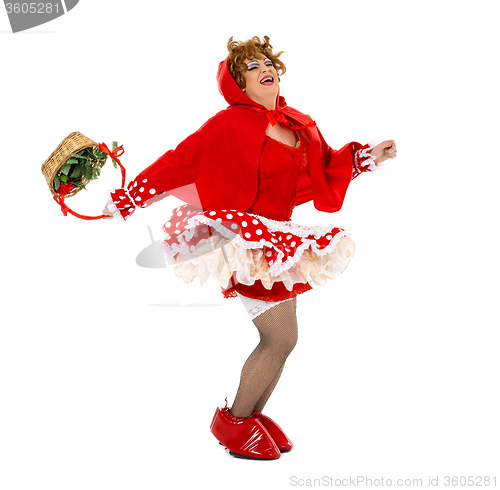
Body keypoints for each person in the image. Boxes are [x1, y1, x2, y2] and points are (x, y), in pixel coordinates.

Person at [102, 35, 397, 460]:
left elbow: (325, 165)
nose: (263, 69)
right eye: (250, 67)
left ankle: (250, 416)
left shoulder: (298, 122)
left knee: (286, 338)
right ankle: (234, 421)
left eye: (265, 61)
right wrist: (129, 198)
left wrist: (368, 156)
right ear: (238, 84)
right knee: (279, 338)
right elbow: (179, 161)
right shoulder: (228, 124)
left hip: (280, 237)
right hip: (246, 238)